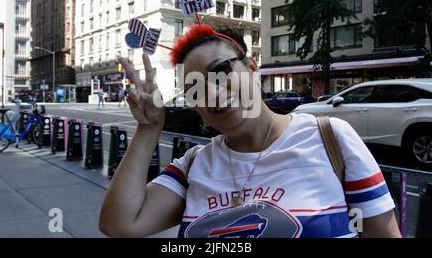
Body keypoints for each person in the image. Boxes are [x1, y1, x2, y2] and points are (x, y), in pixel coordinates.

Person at [99, 25, 401, 238]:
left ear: (252, 66)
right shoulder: (193, 165)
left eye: (221, 71)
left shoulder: (330, 138)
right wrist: (149, 128)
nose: (213, 92)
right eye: (195, 88)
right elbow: (120, 225)